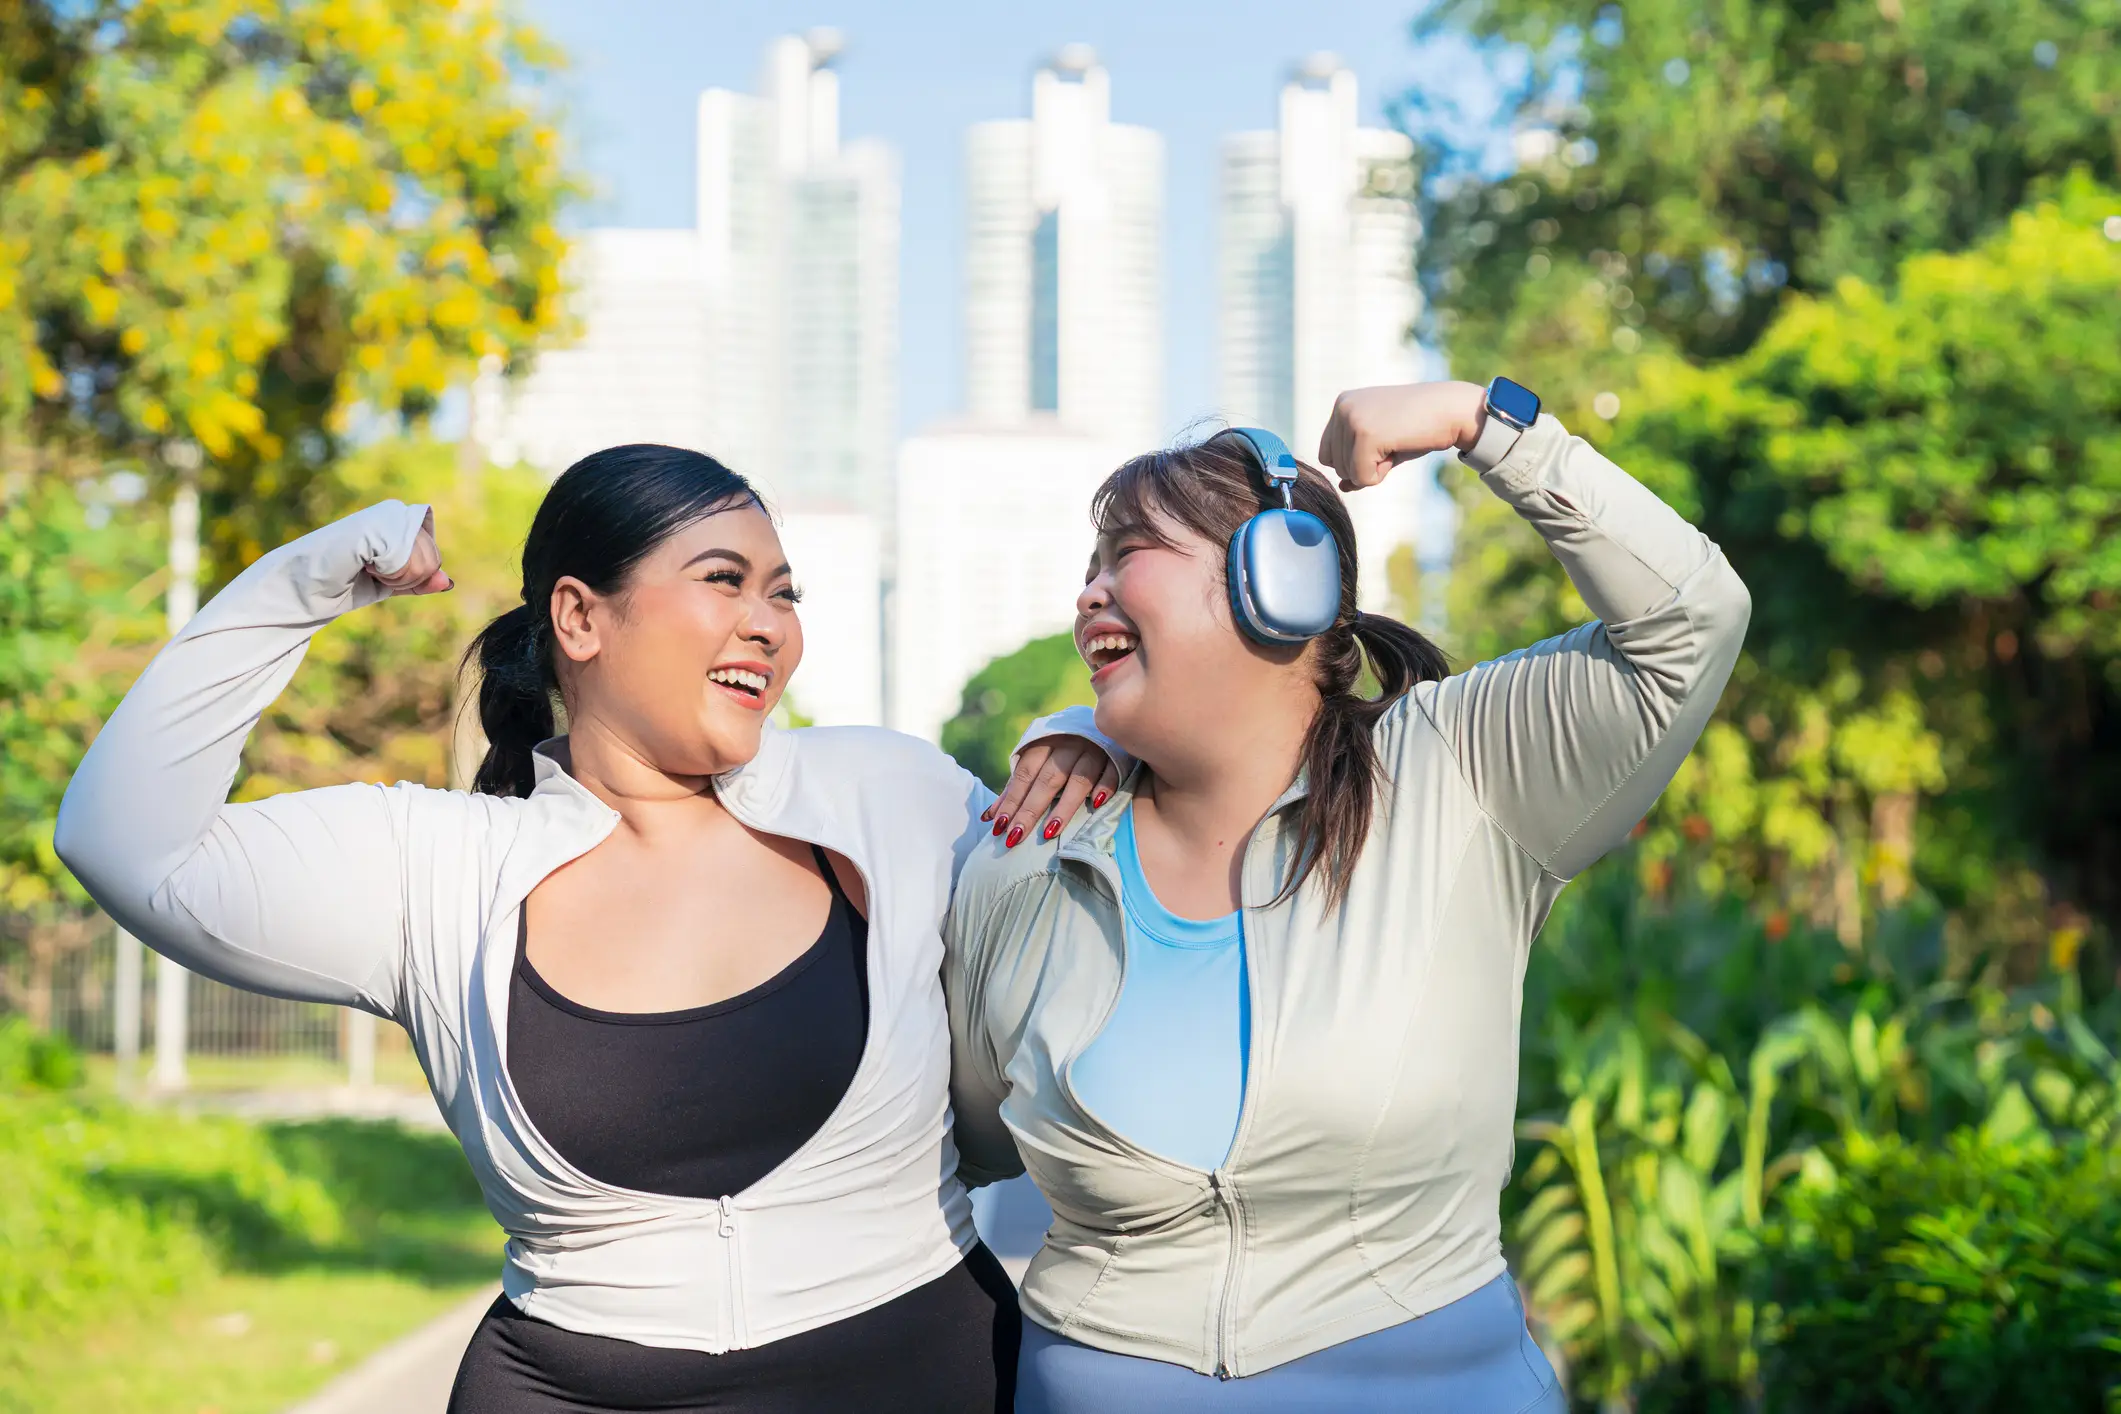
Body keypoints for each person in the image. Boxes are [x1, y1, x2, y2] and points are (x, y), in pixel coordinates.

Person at [55, 443, 1129, 1414]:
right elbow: (126, 844)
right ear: (579, 618)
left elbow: (1133, 874)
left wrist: (1091, 734)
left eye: (784, 592)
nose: (770, 622)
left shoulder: (886, 794)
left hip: (922, 1375)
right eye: (724, 580)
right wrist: (305, 579)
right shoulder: (435, 868)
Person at [944, 379, 1752, 1411]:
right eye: (1086, 572)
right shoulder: (1024, 864)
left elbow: (1692, 618)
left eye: (1127, 556)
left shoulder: (1460, 770)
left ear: (1281, 578)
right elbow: (967, 1139)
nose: (1087, 595)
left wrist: (1485, 425)